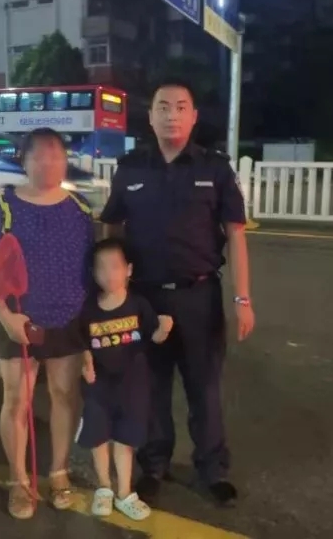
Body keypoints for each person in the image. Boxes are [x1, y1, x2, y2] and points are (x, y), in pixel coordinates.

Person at [98, 79, 255, 507]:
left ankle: (212, 469)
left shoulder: (215, 169)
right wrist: (111, 287)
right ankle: (154, 465)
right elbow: (112, 227)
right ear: (150, 117)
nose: (172, 115)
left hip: (198, 297)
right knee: (150, 386)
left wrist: (242, 298)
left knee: (204, 388)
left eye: (181, 107)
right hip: (144, 297)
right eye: (163, 107)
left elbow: (236, 235)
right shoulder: (131, 169)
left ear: (194, 116)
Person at [0, 127, 94, 519]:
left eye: (56, 155)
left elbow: (91, 271)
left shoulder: (79, 210)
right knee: (16, 401)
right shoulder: (5, 207)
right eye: (38, 155)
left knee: (64, 396)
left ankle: (59, 473)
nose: (48, 163)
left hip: (68, 322)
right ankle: (18, 480)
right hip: (17, 321)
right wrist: (7, 319)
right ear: (23, 161)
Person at [76, 237, 174, 521]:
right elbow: (81, 343)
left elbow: (154, 337)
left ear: (128, 270)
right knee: (99, 437)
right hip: (98, 387)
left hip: (132, 386)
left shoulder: (138, 304)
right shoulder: (88, 308)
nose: (109, 274)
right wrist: (85, 363)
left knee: (125, 439)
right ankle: (104, 488)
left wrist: (164, 329)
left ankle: (124, 492)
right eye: (101, 267)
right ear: (93, 273)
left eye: (115, 266)